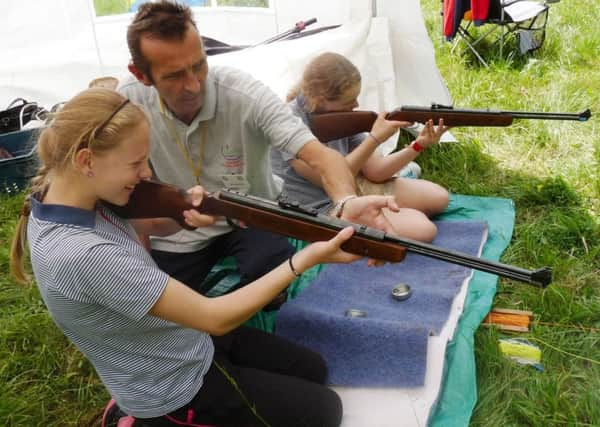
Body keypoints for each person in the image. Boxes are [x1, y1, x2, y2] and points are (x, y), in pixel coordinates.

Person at [9, 87, 389, 427]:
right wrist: (306, 259)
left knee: (314, 369)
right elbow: (215, 316)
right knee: (324, 411)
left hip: (184, 339)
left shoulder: (67, 193)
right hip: (172, 388)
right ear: (86, 160)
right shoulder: (82, 254)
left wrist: (184, 215)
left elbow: (147, 226)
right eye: (135, 164)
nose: (145, 175)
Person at [118, 1, 398, 309]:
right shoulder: (124, 100)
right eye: (174, 75)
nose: (194, 84)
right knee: (162, 309)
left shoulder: (246, 94)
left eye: (199, 64)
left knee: (272, 281)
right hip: (176, 229)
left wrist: (345, 201)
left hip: (254, 214)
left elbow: (322, 156)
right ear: (140, 74)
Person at [271, 52, 451, 242]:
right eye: (349, 101)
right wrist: (374, 139)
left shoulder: (338, 115)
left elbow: (376, 171)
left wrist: (417, 145)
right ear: (322, 99)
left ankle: (383, 209)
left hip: (352, 189)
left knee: (439, 198)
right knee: (424, 229)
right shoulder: (289, 123)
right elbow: (330, 178)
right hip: (319, 206)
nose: (356, 104)